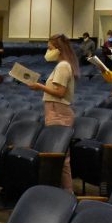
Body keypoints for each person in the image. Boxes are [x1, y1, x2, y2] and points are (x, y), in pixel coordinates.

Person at [29, 33, 79, 191]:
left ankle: (67, 193)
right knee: (57, 155)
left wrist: (39, 86)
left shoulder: (63, 66)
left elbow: (60, 92)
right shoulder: (61, 65)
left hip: (59, 112)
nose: (47, 51)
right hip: (55, 111)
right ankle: (60, 191)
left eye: (50, 48)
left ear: (58, 49)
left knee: (61, 157)